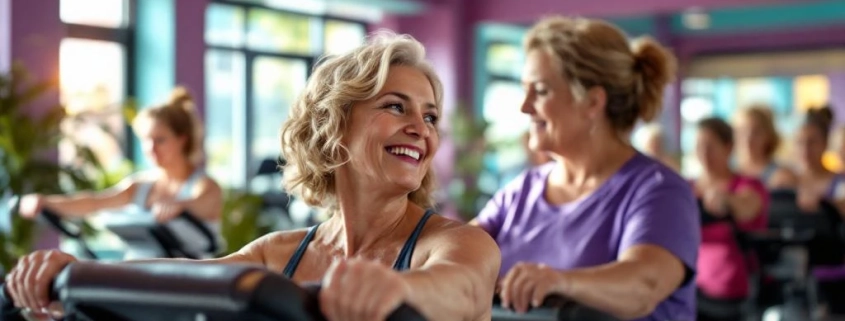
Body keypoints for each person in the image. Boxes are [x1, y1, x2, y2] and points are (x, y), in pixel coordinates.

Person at [5, 32, 501, 321]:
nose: (420, 129)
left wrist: (401, 291)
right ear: (335, 127)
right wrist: (73, 275)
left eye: (431, 117)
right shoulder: (276, 254)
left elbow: (460, 289)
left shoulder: (457, 245)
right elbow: (178, 279)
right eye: (396, 107)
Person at [471, 16, 700, 321]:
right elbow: (458, 249)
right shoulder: (519, 192)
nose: (524, 106)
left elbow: (643, 286)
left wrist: (560, 281)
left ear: (592, 102)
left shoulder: (659, 190)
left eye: (540, 90)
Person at [17, 87, 224, 259]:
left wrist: (180, 205)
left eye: (160, 140)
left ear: (182, 139)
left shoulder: (204, 185)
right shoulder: (141, 186)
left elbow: (204, 203)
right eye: (146, 140)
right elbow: (95, 202)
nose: (151, 148)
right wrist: (45, 202)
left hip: (189, 284)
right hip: (139, 280)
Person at [691, 117, 768, 321]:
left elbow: (748, 207)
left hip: (733, 293)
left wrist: (726, 201)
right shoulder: (686, 188)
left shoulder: (747, 185)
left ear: (728, 147)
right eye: (699, 146)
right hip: (690, 290)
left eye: (710, 147)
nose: (704, 154)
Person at [791, 106, 845, 213]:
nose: (805, 149)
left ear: (825, 144)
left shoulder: (841, 182)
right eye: (800, 142)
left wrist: (826, 204)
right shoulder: (786, 180)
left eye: (812, 142)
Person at [732, 105, 795, 188]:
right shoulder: (729, 173)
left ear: (768, 135)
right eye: (742, 131)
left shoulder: (782, 176)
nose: (748, 138)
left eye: (756, 132)